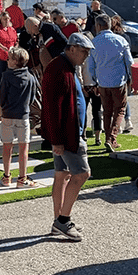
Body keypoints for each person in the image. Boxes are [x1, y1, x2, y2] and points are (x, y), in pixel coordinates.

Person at [40, 32, 94, 241]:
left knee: (62, 174)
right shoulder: (59, 70)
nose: (86, 56)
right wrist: (57, 141)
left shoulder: (64, 67)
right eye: (83, 51)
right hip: (67, 135)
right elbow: (53, 109)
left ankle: (59, 220)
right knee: (81, 174)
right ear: (71, 48)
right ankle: (62, 221)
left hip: (67, 133)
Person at [88, 14, 133, 152]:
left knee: (107, 111)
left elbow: (91, 66)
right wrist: (131, 78)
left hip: (102, 82)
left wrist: (93, 82)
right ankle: (111, 138)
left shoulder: (94, 42)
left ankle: (108, 138)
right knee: (119, 110)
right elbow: (130, 62)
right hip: (118, 81)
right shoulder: (120, 40)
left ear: (98, 26)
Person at [0, 46, 38, 189]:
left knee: (7, 147)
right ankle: (22, 177)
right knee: (23, 147)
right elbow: (33, 98)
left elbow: (1, 97)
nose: (7, 60)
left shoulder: (6, 76)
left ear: (15, 61)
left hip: (7, 115)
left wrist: (4, 107)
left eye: (9, 58)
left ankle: (7, 176)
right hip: (23, 115)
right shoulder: (30, 77)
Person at [110, 15, 134, 131]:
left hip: (113, 72)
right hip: (124, 73)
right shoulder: (124, 37)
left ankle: (117, 125)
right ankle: (127, 121)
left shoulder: (111, 37)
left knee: (114, 102)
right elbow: (129, 58)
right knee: (123, 100)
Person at [0, 11, 18, 77]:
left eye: (8, 18)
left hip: (11, 55)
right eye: (5, 19)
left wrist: (15, 47)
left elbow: (16, 40)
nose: (7, 20)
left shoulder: (12, 29)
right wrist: (2, 47)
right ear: (0, 20)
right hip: (1, 55)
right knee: (2, 73)